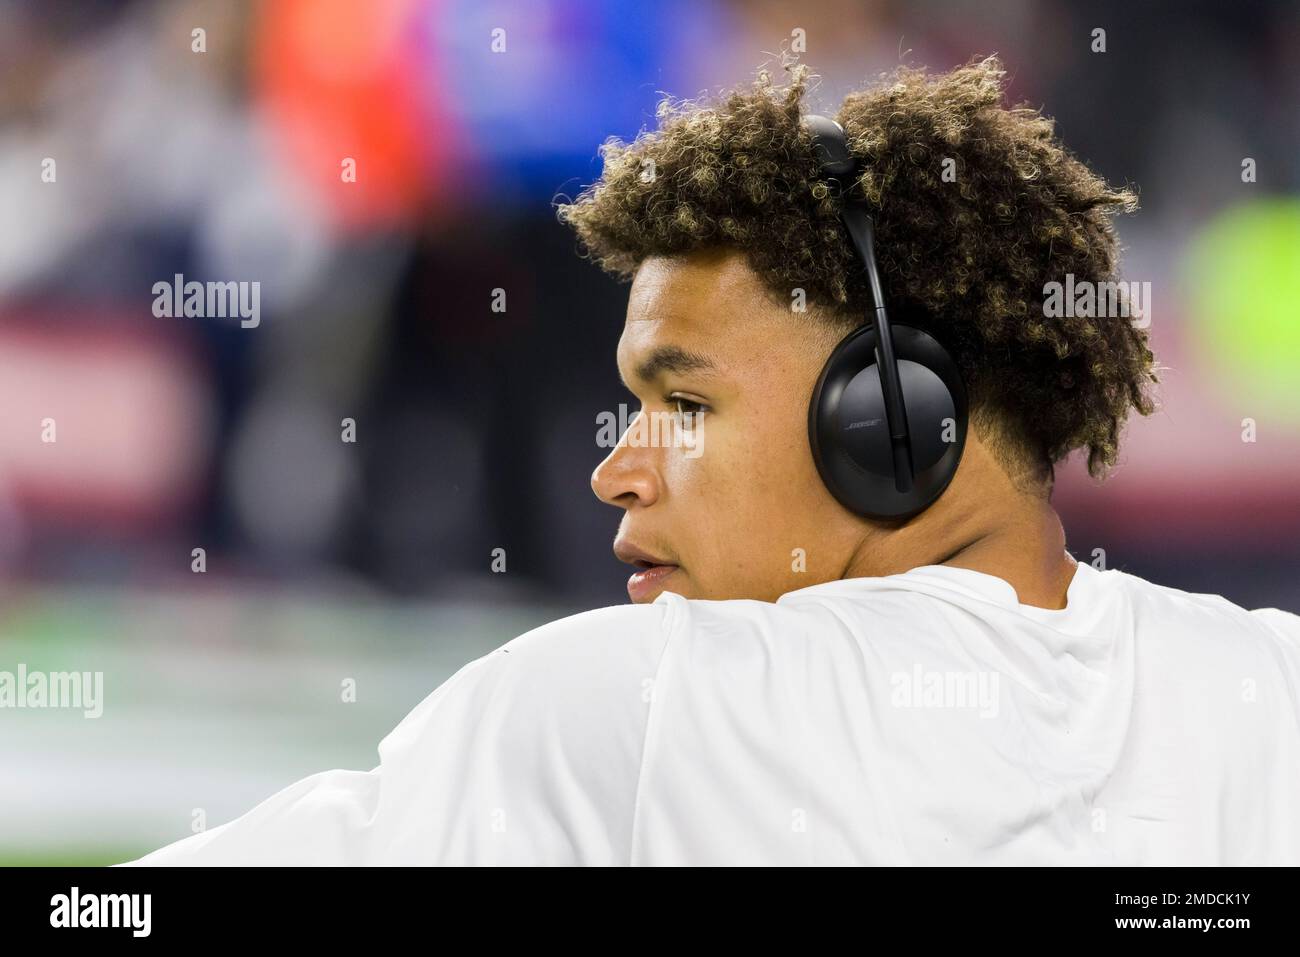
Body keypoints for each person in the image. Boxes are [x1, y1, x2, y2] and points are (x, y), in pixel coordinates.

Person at [123, 57, 1300, 866]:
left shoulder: (637, 704)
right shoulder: (1266, 683)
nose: (615, 473)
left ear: (893, 417)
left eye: (684, 403)